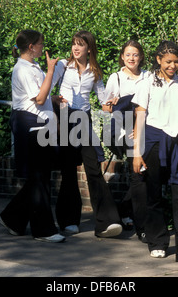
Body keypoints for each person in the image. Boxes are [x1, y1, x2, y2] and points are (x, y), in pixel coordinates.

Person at [131, 40, 178, 265]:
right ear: (158, 60)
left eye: (176, 62)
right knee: (154, 195)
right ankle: (157, 242)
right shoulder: (147, 83)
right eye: (168, 62)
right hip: (153, 145)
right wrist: (136, 154)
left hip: (176, 146)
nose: (173, 66)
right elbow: (140, 117)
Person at [52, 30, 123, 238]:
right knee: (68, 172)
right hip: (64, 118)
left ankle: (106, 223)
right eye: (74, 44)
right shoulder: (62, 65)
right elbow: (46, 90)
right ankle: (68, 221)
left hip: (83, 119)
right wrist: (55, 99)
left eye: (80, 44)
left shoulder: (94, 71)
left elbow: (104, 101)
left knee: (93, 168)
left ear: (88, 48)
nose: (75, 48)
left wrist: (114, 102)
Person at [0, 29, 66, 243]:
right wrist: (51, 70)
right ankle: (43, 230)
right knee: (39, 177)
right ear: (31, 47)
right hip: (30, 125)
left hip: (39, 124)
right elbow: (38, 98)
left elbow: (41, 96)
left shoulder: (32, 67)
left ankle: (12, 218)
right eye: (40, 44)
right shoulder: (22, 70)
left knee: (41, 176)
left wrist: (52, 99)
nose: (42, 47)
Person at [101, 40, 150, 241]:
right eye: (128, 54)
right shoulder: (116, 78)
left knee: (145, 175)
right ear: (122, 56)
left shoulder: (148, 76)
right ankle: (141, 224)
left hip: (145, 130)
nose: (131, 58)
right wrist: (112, 105)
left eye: (135, 54)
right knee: (138, 175)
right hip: (125, 131)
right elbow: (105, 108)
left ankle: (125, 210)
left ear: (141, 57)